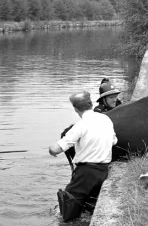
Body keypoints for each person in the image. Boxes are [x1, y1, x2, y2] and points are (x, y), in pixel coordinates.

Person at [49, 91, 117, 222]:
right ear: (91, 104)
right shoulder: (106, 119)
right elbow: (114, 141)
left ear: (75, 109)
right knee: (89, 206)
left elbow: (57, 149)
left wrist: (51, 151)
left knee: (66, 207)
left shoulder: (80, 125)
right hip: (103, 171)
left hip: (86, 173)